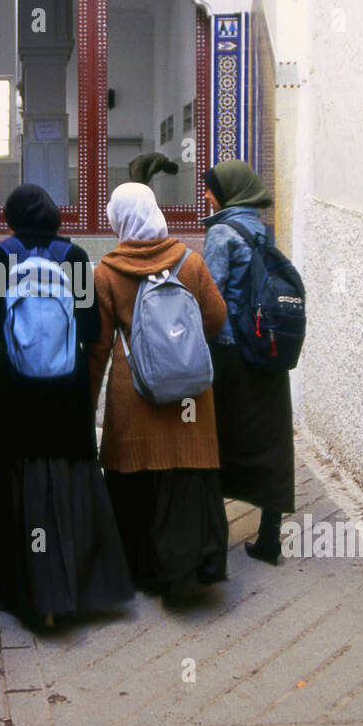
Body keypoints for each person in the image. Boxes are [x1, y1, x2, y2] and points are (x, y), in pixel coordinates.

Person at [0, 183, 133, 629]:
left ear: (11, 216)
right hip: (66, 387)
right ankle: (71, 586)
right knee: (68, 476)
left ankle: (28, 590)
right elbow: (88, 325)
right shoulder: (77, 257)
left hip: (16, 388)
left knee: (18, 476)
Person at [88, 183, 229, 597]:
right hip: (188, 394)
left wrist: (87, 399)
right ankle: (194, 566)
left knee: (136, 476)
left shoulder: (106, 272)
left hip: (135, 391)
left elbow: (97, 347)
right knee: (187, 472)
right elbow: (218, 317)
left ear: (121, 219)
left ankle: (140, 569)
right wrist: (179, 347)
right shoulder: (191, 262)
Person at [201, 159, 296, 563]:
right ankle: (271, 534)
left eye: (211, 188)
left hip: (233, 352)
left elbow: (211, 294)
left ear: (227, 192)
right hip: (267, 347)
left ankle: (208, 532)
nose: (206, 194)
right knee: (271, 437)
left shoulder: (222, 232)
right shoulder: (259, 226)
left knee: (215, 436)